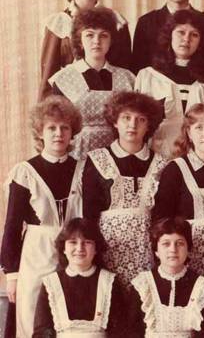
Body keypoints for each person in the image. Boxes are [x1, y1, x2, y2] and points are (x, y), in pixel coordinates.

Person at [0, 96, 83, 338]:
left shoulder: (82, 169)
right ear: (40, 132)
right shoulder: (25, 172)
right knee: (32, 314)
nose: (59, 134)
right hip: (36, 251)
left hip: (74, 251)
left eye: (64, 128)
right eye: (51, 128)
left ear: (72, 132)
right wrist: (12, 275)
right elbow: (12, 226)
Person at [81, 91, 167, 288]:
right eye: (126, 118)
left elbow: (163, 216)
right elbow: (89, 215)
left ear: (149, 125)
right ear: (115, 121)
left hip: (148, 254)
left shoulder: (161, 164)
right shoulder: (97, 160)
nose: (132, 125)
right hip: (108, 251)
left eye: (140, 119)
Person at [39, 0, 131, 99]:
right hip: (68, 103)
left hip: (109, 102)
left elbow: (124, 74)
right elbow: (48, 80)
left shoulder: (116, 22)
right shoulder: (58, 24)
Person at [153, 103, 204, 274]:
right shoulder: (175, 170)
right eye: (199, 128)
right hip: (186, 260)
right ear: (188, 132)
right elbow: (162, 221)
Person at [48, 7, 135, 159]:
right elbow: (57, 124)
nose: (96, 41)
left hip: (119, 153)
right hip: (78, 154)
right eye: (89, 35)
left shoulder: (127, 78)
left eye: (103, 35)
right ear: (79, 40)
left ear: (111, 40)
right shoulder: (63, 79)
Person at [135, 9, 204, 159]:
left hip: (197, 159)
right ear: (169, 35)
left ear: (201, 41)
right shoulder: (148, 76)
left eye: (194, 35)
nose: (186, 39)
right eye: (181, 32)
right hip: (156, 157)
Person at [33, 217, 126, 337]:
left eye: (87, 242)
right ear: (63, 248)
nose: (79, 248)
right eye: (73, 242)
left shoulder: (109, 282)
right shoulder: (51, 283)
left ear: (96, 248)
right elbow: (41, 331)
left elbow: (120, 330)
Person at [129, 217, 204, 336]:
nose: (173, 249)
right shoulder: (143, 284)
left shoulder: (201, 286)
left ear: (188, 249)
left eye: (180, 243)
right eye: (166, 244)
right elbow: (132, 332)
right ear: (156, 251)